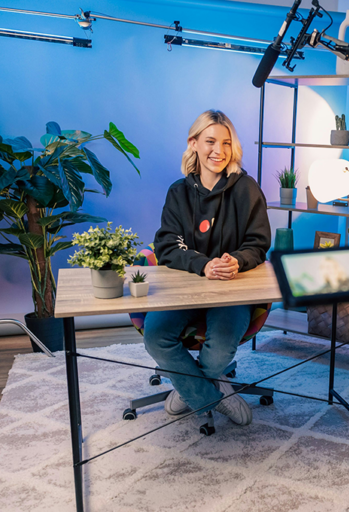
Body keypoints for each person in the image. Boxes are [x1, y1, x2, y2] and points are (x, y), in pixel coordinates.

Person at [143, 110, 271, 426]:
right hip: (184, 289)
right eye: (210, 141)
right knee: (155, 336)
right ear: (194, 143)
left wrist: (237, 260)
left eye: (226, 143)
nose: (219, 151)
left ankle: (187, 389)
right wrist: (204, 265)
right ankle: (212, 396)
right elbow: (167, 246)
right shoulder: (178, 192)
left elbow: (258, 244)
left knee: (218, 352)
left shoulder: (247, 189)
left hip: (231, 290)